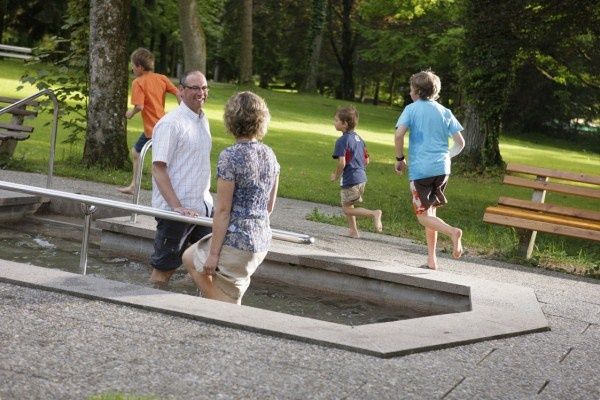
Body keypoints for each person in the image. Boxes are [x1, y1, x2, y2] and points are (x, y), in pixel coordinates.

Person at [182, 91, 280, 305]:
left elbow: (223, 211)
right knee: (222, 286)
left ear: (231, 120)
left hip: (236, 243)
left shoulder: (230, 156)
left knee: (190, 258)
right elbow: (269, 206)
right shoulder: (270, 155)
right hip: (261, 241)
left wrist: (214, 255)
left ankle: (230, 314)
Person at [394, 70, 465, 270]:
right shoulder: (445, 111)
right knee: (430, 212)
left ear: (416, 91)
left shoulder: (411, 109)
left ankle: (453, 232)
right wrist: (444, 158)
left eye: (410, 89)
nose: (409, 93)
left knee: (422, 216)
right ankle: (432, 260)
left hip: (421, 171)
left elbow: (399, 135)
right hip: (442, 170)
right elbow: (460, 143)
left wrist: (399, 158)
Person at [149, 70, 213, 286]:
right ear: (181, 90)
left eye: (204, 88)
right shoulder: (171, 124)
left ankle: (187, 305)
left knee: (206, 267)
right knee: (162, 271)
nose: (201, 93)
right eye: (195, 88)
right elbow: (158, 169)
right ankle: (148, 309)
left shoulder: (202, 120)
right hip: (175, 213)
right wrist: (177, 207)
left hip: (201, 209)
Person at [118, 47, 181, 195]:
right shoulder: (162, 78)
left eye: (133, 65)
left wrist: (130, 113)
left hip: (153, 129)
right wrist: (182, 111)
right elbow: (178, 92)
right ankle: (135, 185)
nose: (132, 68)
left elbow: (139, 106)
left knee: (140, 154)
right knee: (138, 153)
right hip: (163, 125)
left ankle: (137, 186)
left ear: (139, 66)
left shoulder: (138, 82)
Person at [330, 105, 382, 238]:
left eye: (336, 120)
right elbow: (367, 160)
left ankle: (374, 213)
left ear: (345, 124)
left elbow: (342, 163)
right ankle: (353, 231)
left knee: (346, 208)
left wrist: (336, 175)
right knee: (349, 204)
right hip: (361, 178)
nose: (334, 122)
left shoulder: (342, 140)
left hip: (351, 179)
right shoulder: (359, 139)